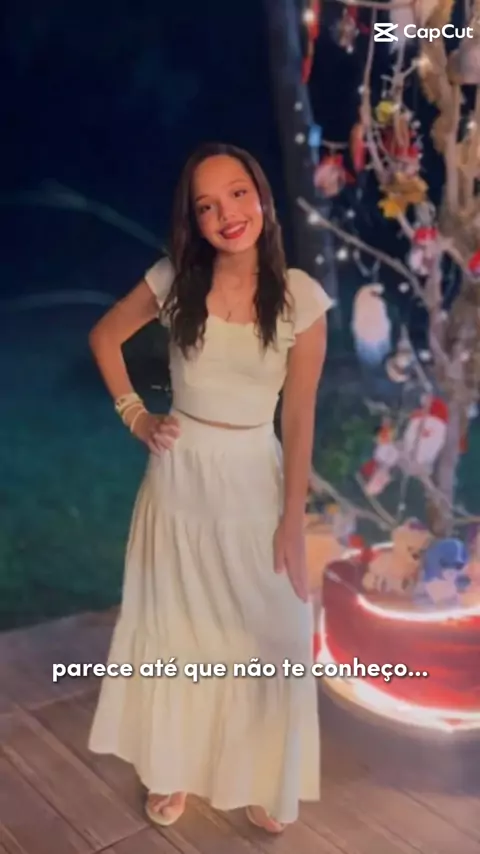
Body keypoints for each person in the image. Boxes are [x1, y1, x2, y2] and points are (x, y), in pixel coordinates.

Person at [87, 141, 332, 833]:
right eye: (207, 205)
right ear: (193, 221)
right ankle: (172, 765)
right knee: (178, 632)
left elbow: (300, 415)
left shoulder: (300, 298)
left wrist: (293, 520)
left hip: (255, 476)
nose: (227, 214)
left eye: (237, 194)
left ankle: (261, 772)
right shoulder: (176, 279)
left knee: (272, 631)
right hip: (180, 480)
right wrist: (136, 415)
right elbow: (104, 336)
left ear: (262, 198)